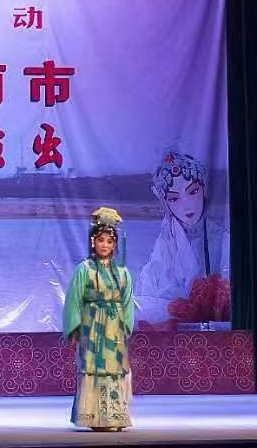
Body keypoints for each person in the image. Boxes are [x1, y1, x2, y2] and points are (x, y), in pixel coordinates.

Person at [136, 152, 230, 326]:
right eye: (174, 198)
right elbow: (147, 301)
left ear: (204, 190)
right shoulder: (164, 244)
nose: (187, 206)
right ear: (166, 203)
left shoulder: (222, 240)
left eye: (193, 191)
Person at [63, 207, 134, 431]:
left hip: (114, 327)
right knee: (92, 367)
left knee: (114, 369)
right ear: (93, 242)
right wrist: (74, 327)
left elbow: (127, 302)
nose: (104, 245)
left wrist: (126, 327)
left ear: (115, 245)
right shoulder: (84, 269)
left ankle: (115, 415)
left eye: (109, 241)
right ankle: (94, 417)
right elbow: (74, 300)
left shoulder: (122, 272)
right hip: (92, 325)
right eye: (100, 240)